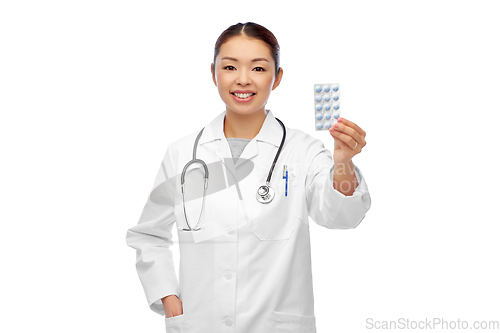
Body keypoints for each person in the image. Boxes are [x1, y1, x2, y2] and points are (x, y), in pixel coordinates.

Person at [126, 22, 371, 333]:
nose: (243, 79)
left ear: (277, 77)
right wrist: (169, 298)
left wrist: (344, 164)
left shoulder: (303, 150)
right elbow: (148, 235)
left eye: (258, 68)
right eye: (230, 67)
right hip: (201, 323)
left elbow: (343, 216)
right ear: (213, 73)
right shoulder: (182, 152)